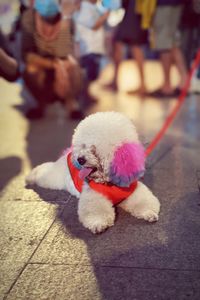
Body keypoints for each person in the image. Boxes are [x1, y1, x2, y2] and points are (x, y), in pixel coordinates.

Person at [21, 0, 83, 120]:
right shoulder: (28, 17)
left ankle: (71, 102)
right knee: (30, 69)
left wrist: (65, 18)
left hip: (63, 63)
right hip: (44, 65)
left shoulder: (68, 17)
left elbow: (64, 53)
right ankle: (41, 103)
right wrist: (52, 64)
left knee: (72, 66)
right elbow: (27, 55)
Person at [106, 0, 152, 95]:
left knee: (133, 45)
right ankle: (115, 80)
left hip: (134, 10)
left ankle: (142, 85)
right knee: (122, 43)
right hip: (133, 10)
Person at [150, 0, 188, 98]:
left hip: (164, 3)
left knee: (164, 42)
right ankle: (184, 81)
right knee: (171, 40)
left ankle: (167, 85)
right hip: (174, 3)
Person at [74, 0, 109, 94]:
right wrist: (106, 15)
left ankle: (86, 92)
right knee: (89, 73)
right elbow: (94, 25)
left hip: (92, 47)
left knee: (92, 72)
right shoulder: (85, 7)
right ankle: (85, 93)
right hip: (89, 48)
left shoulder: (91, 7)